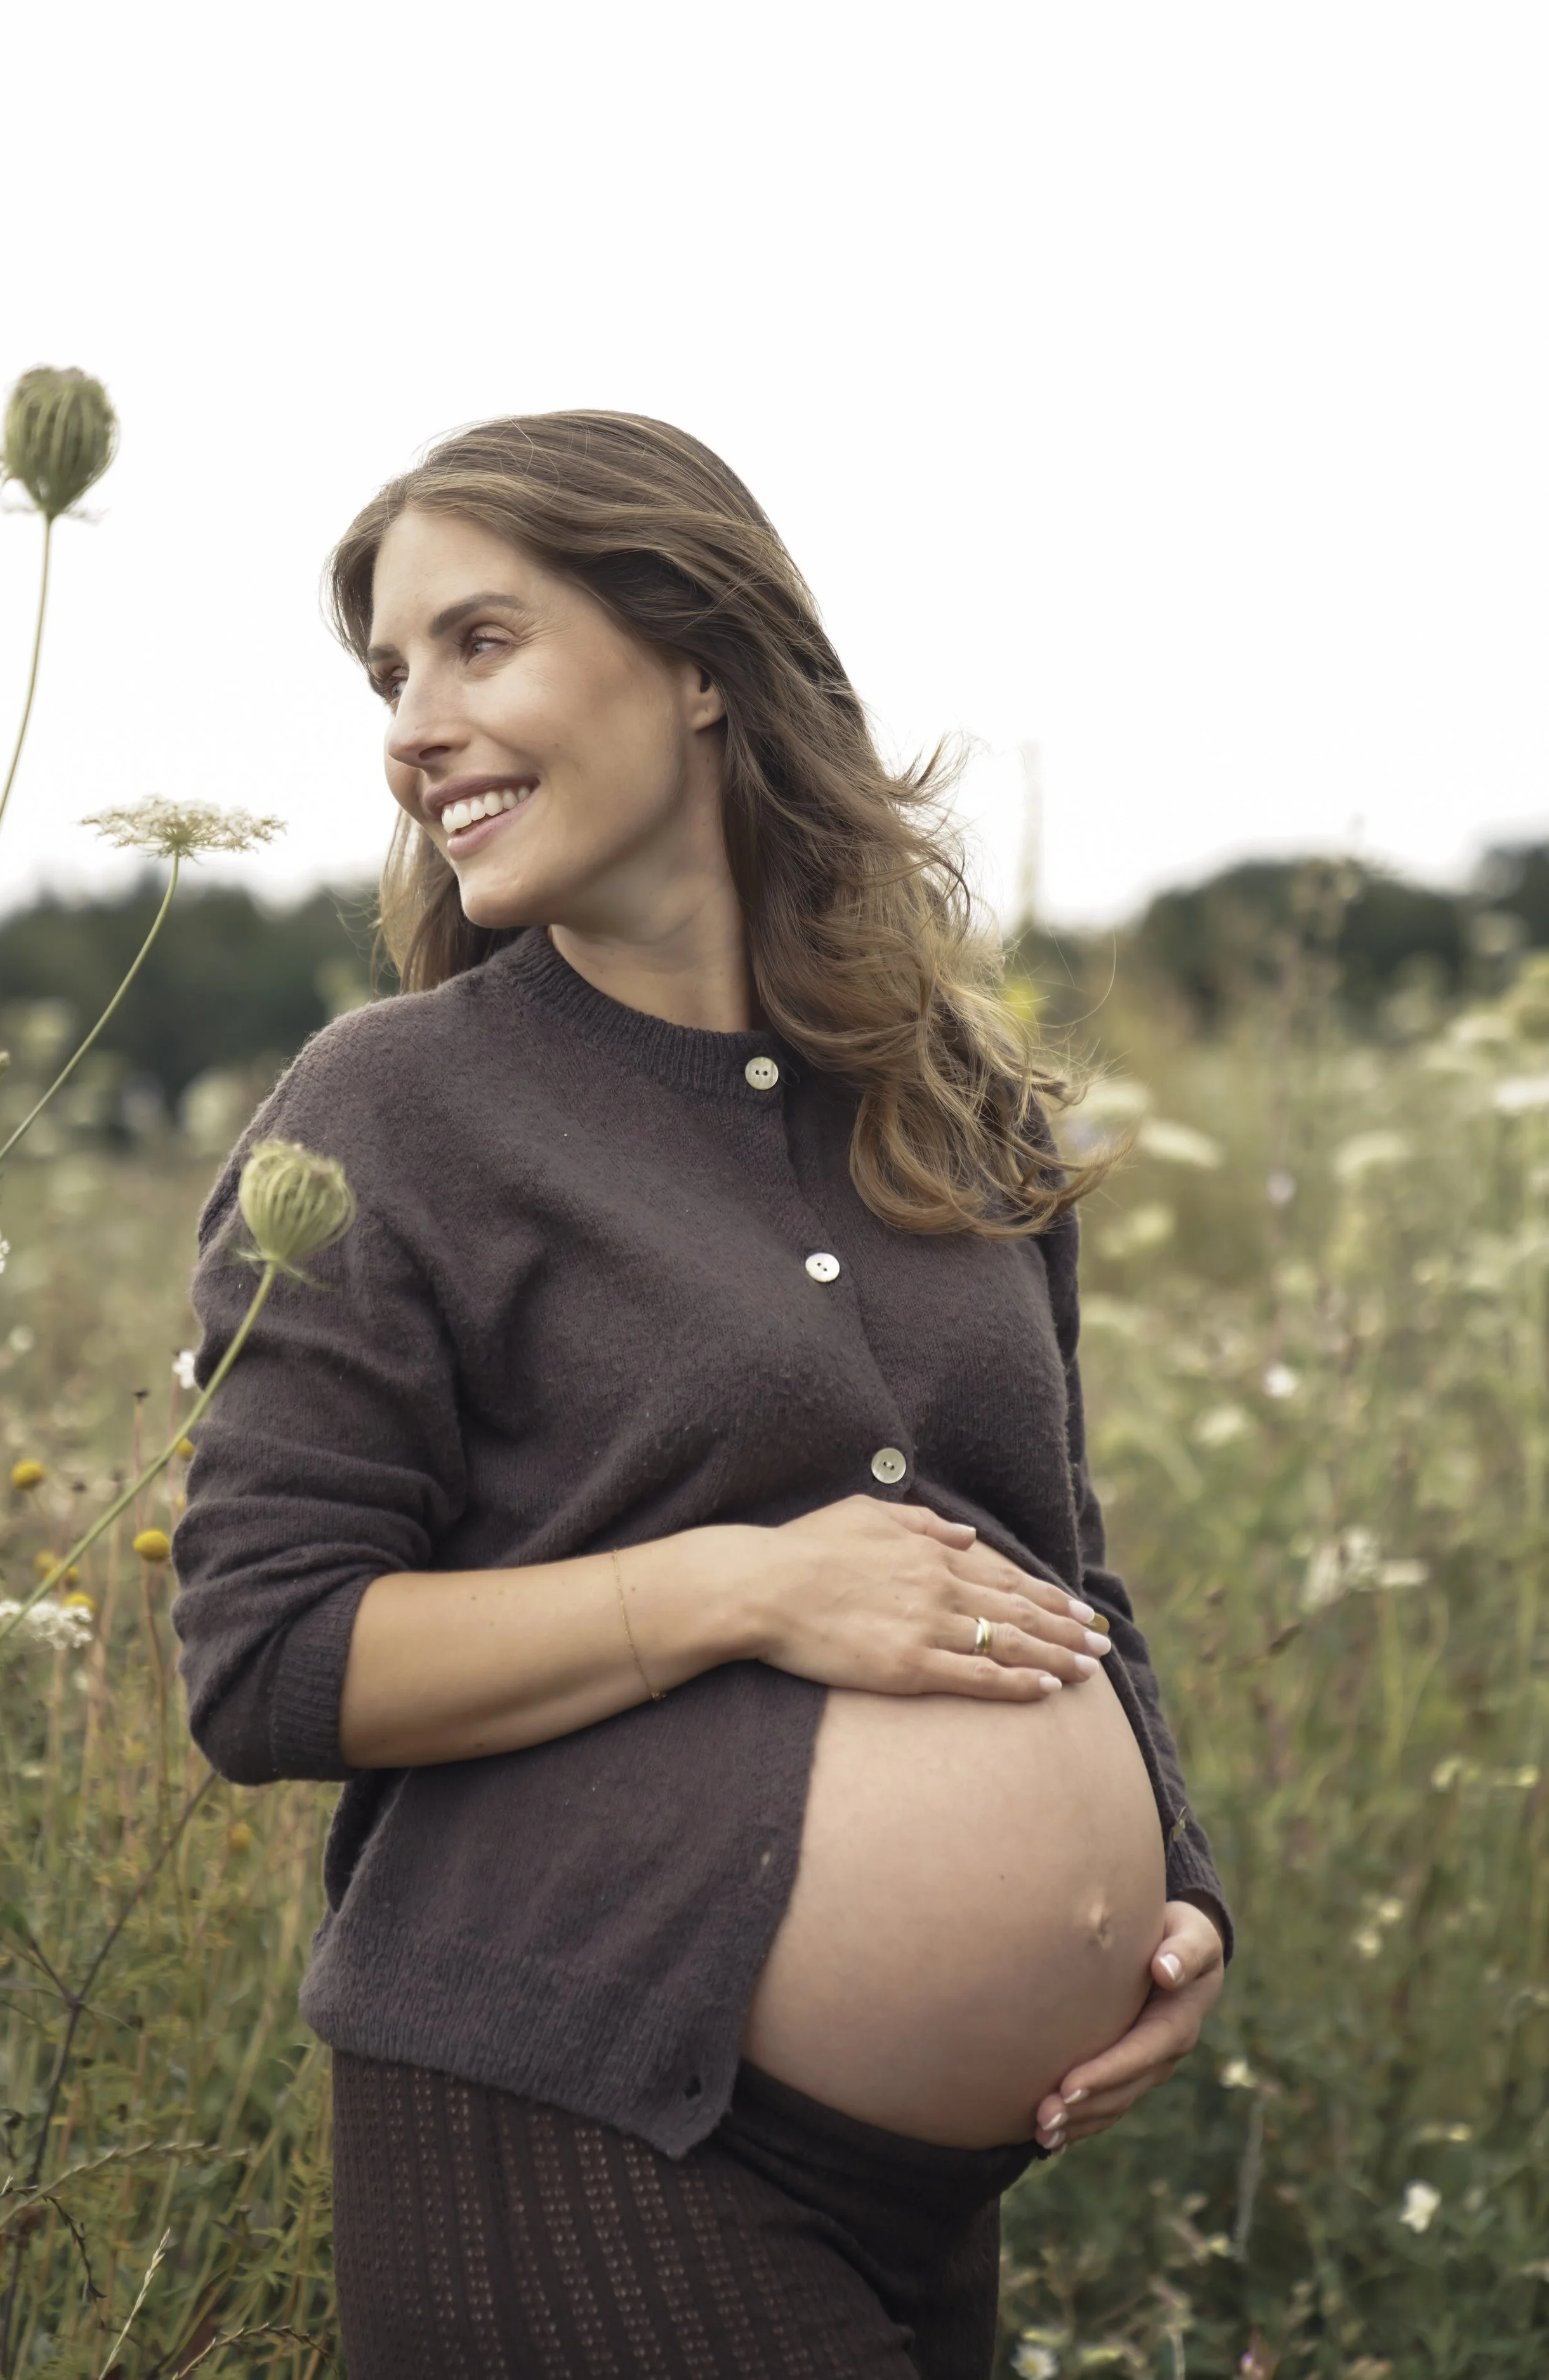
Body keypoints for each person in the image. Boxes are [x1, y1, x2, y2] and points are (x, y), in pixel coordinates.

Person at [171, 411, 1230, 2380]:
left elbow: (1063, 1570)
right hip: (578, 2133)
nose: (415, 728)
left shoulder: (958, 1106)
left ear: (699, 662)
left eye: (479, 643)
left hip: (934, 2187)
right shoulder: (390, 1110)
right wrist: (743, 1587)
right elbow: (266, 1659)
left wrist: (1175, 1886)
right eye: (391, 677)